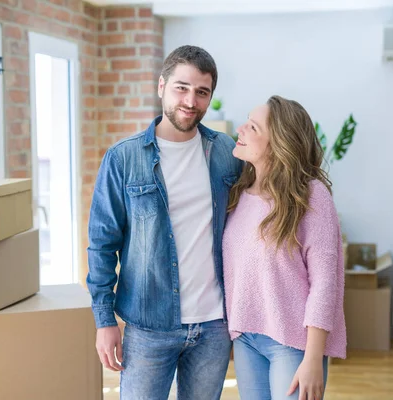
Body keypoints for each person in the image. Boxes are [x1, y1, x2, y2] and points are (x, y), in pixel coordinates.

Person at [86, 45, 243, 400]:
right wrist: (104, 320)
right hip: (148, 325)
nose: (190, 101)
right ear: (161, 86)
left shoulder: (226, 154)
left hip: (214, 324)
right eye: (181, 88)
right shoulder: (123, 158)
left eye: (202, 92)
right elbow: (102, 243)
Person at [222, 95, 347, 400]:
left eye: (252, 127)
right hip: (246, 338)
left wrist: (313, 357)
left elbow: (325, 284)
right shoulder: (240, 193)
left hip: (292, 344)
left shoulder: (312, 196)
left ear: (278, 144)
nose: (240, 128)